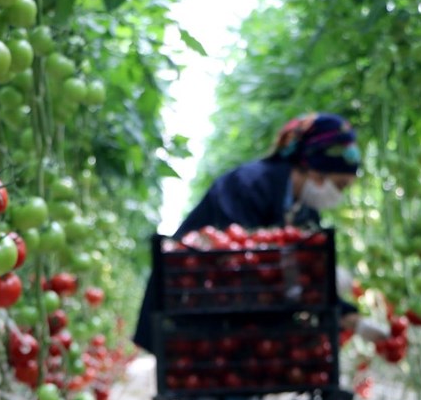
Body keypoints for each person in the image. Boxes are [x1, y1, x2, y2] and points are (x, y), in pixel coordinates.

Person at [133, 112, 387, 353]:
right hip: (191, 309)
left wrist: (351, 317)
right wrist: (309, 272)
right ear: (314, 170)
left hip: (236, 323)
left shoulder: (304, 212)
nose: (338, 195)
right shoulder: (246, 185)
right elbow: (236, 258)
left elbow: (295, 277)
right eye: (339, 185)